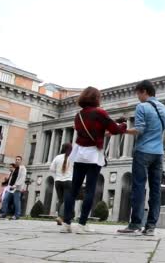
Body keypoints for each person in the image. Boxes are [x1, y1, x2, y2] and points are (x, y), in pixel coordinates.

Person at [61, 87, 128, 234]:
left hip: (79, 153)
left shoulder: (78, 115)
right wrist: (123, 125)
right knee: (90, 189)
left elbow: (87, 129)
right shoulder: (100, 112)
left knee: (74, 188)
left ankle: (66, 222)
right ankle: (82, 224)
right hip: (93, 154)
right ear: (96, 98)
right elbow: (115, 129)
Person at [118, 80, 165, 236]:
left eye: (138, 93)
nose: (137, 97)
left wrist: (123, 131)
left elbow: (140, 129)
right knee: (156, 190)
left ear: (144, 91)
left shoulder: (142, 107)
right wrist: (162, 146)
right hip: (158, 154)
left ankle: (135, 224)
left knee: (138, 188)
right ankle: (150, 227)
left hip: (143, 152)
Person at [50, 143, 73, 225]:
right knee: (66, 200)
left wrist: (58, 172)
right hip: (68, 181)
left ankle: (60, 218)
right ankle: (61, 217)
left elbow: (51, 169)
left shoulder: (57, 157)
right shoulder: (72, 158)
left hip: (58, 181)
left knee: (60, 200)